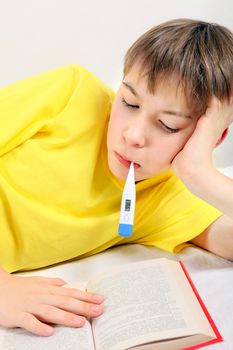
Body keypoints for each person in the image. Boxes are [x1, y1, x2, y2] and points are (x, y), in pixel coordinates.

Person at [0, 18, 232, 336]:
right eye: (130, 102)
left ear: (209, 136)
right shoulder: (70, 94)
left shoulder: (167, 199)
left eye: (167, 124)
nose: (133, 135)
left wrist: (203, 174)